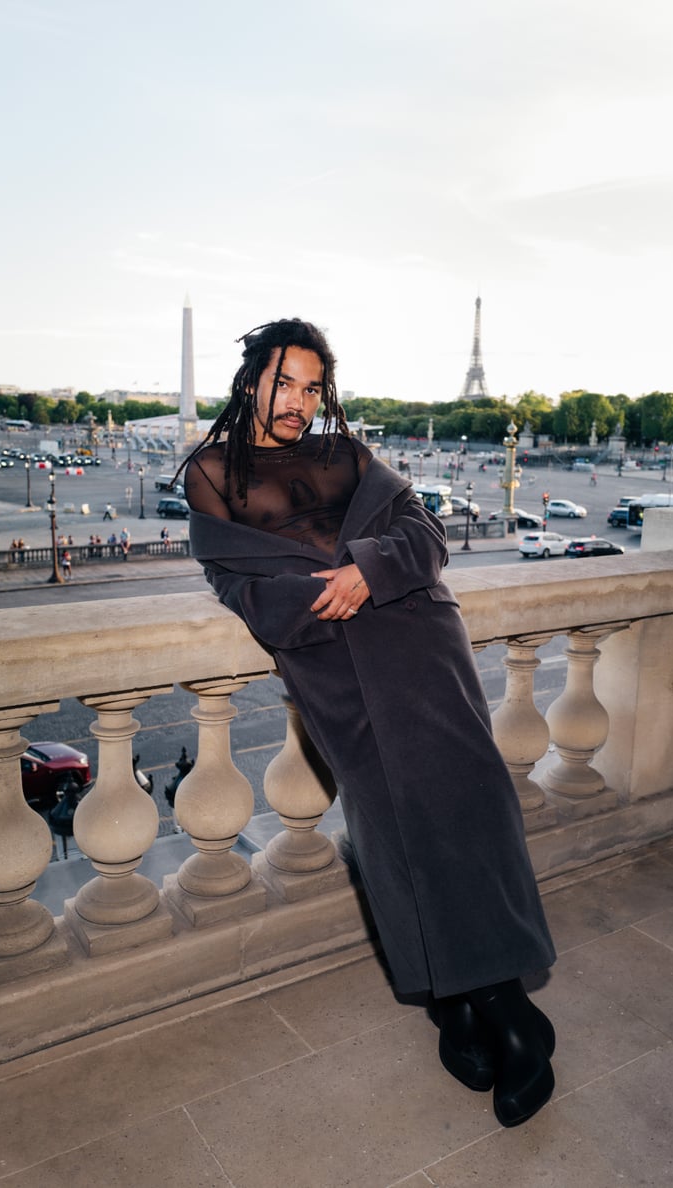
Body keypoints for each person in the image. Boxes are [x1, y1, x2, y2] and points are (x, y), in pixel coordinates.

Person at [181, 319, 556, 1128]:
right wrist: (334, 593)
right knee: (392, 833)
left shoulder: (349, 455)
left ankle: (500, 1009)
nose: (299, 402)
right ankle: (469, 1006)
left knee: (469, 817)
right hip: (337, 669)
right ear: (251, 379)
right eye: (285, 382)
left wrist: (369, 570)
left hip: (422, 643)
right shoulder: (210, 473)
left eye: (313, 388)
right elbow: (243, 587)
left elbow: (424, 534)